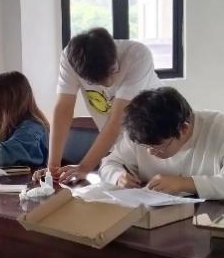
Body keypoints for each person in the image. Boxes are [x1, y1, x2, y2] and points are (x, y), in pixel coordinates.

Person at [35, 27, 162, 183]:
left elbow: (117, 120)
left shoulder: (137, 55)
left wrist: (84, 167)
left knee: (156, 187)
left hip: (155, 141)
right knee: (120, 185)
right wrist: (52, 167)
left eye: (113, 71)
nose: (109, 83)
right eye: (99, 82)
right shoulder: (70, 59)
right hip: (118, 148)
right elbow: (63, 109)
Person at [100, 87, 224, 199]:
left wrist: (183, 183)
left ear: (183, 129)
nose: (150, 152)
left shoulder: (219, 128)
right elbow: (108, 163)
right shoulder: (139, 130)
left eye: (158, 146)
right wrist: (118, 176)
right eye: (145, 146)